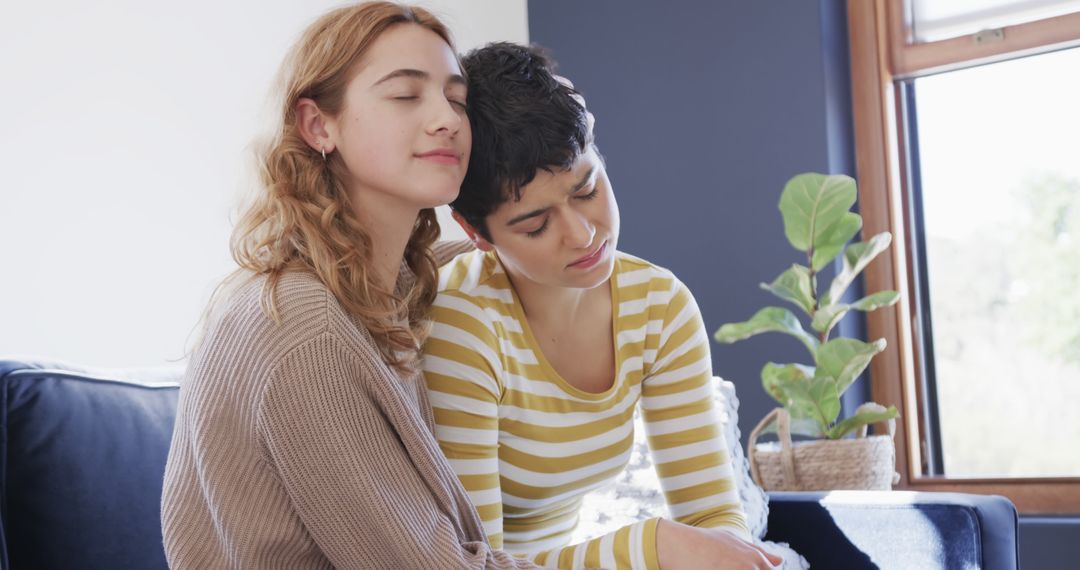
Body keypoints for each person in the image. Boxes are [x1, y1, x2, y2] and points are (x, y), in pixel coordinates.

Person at [161, 4, 547, 568]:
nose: (447, 120)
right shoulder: (305, 328)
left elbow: (510, 259)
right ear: (320, 125)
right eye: (405, 96)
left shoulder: (390, 281)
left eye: (456, 99)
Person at [422, 43, 784, 570]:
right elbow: (479, 562)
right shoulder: (463, 328)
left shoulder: (659, 305)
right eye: (536, 224)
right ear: (477, 233)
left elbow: (712, 520)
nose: (583, 234)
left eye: (587, 188)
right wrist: (654, 546)